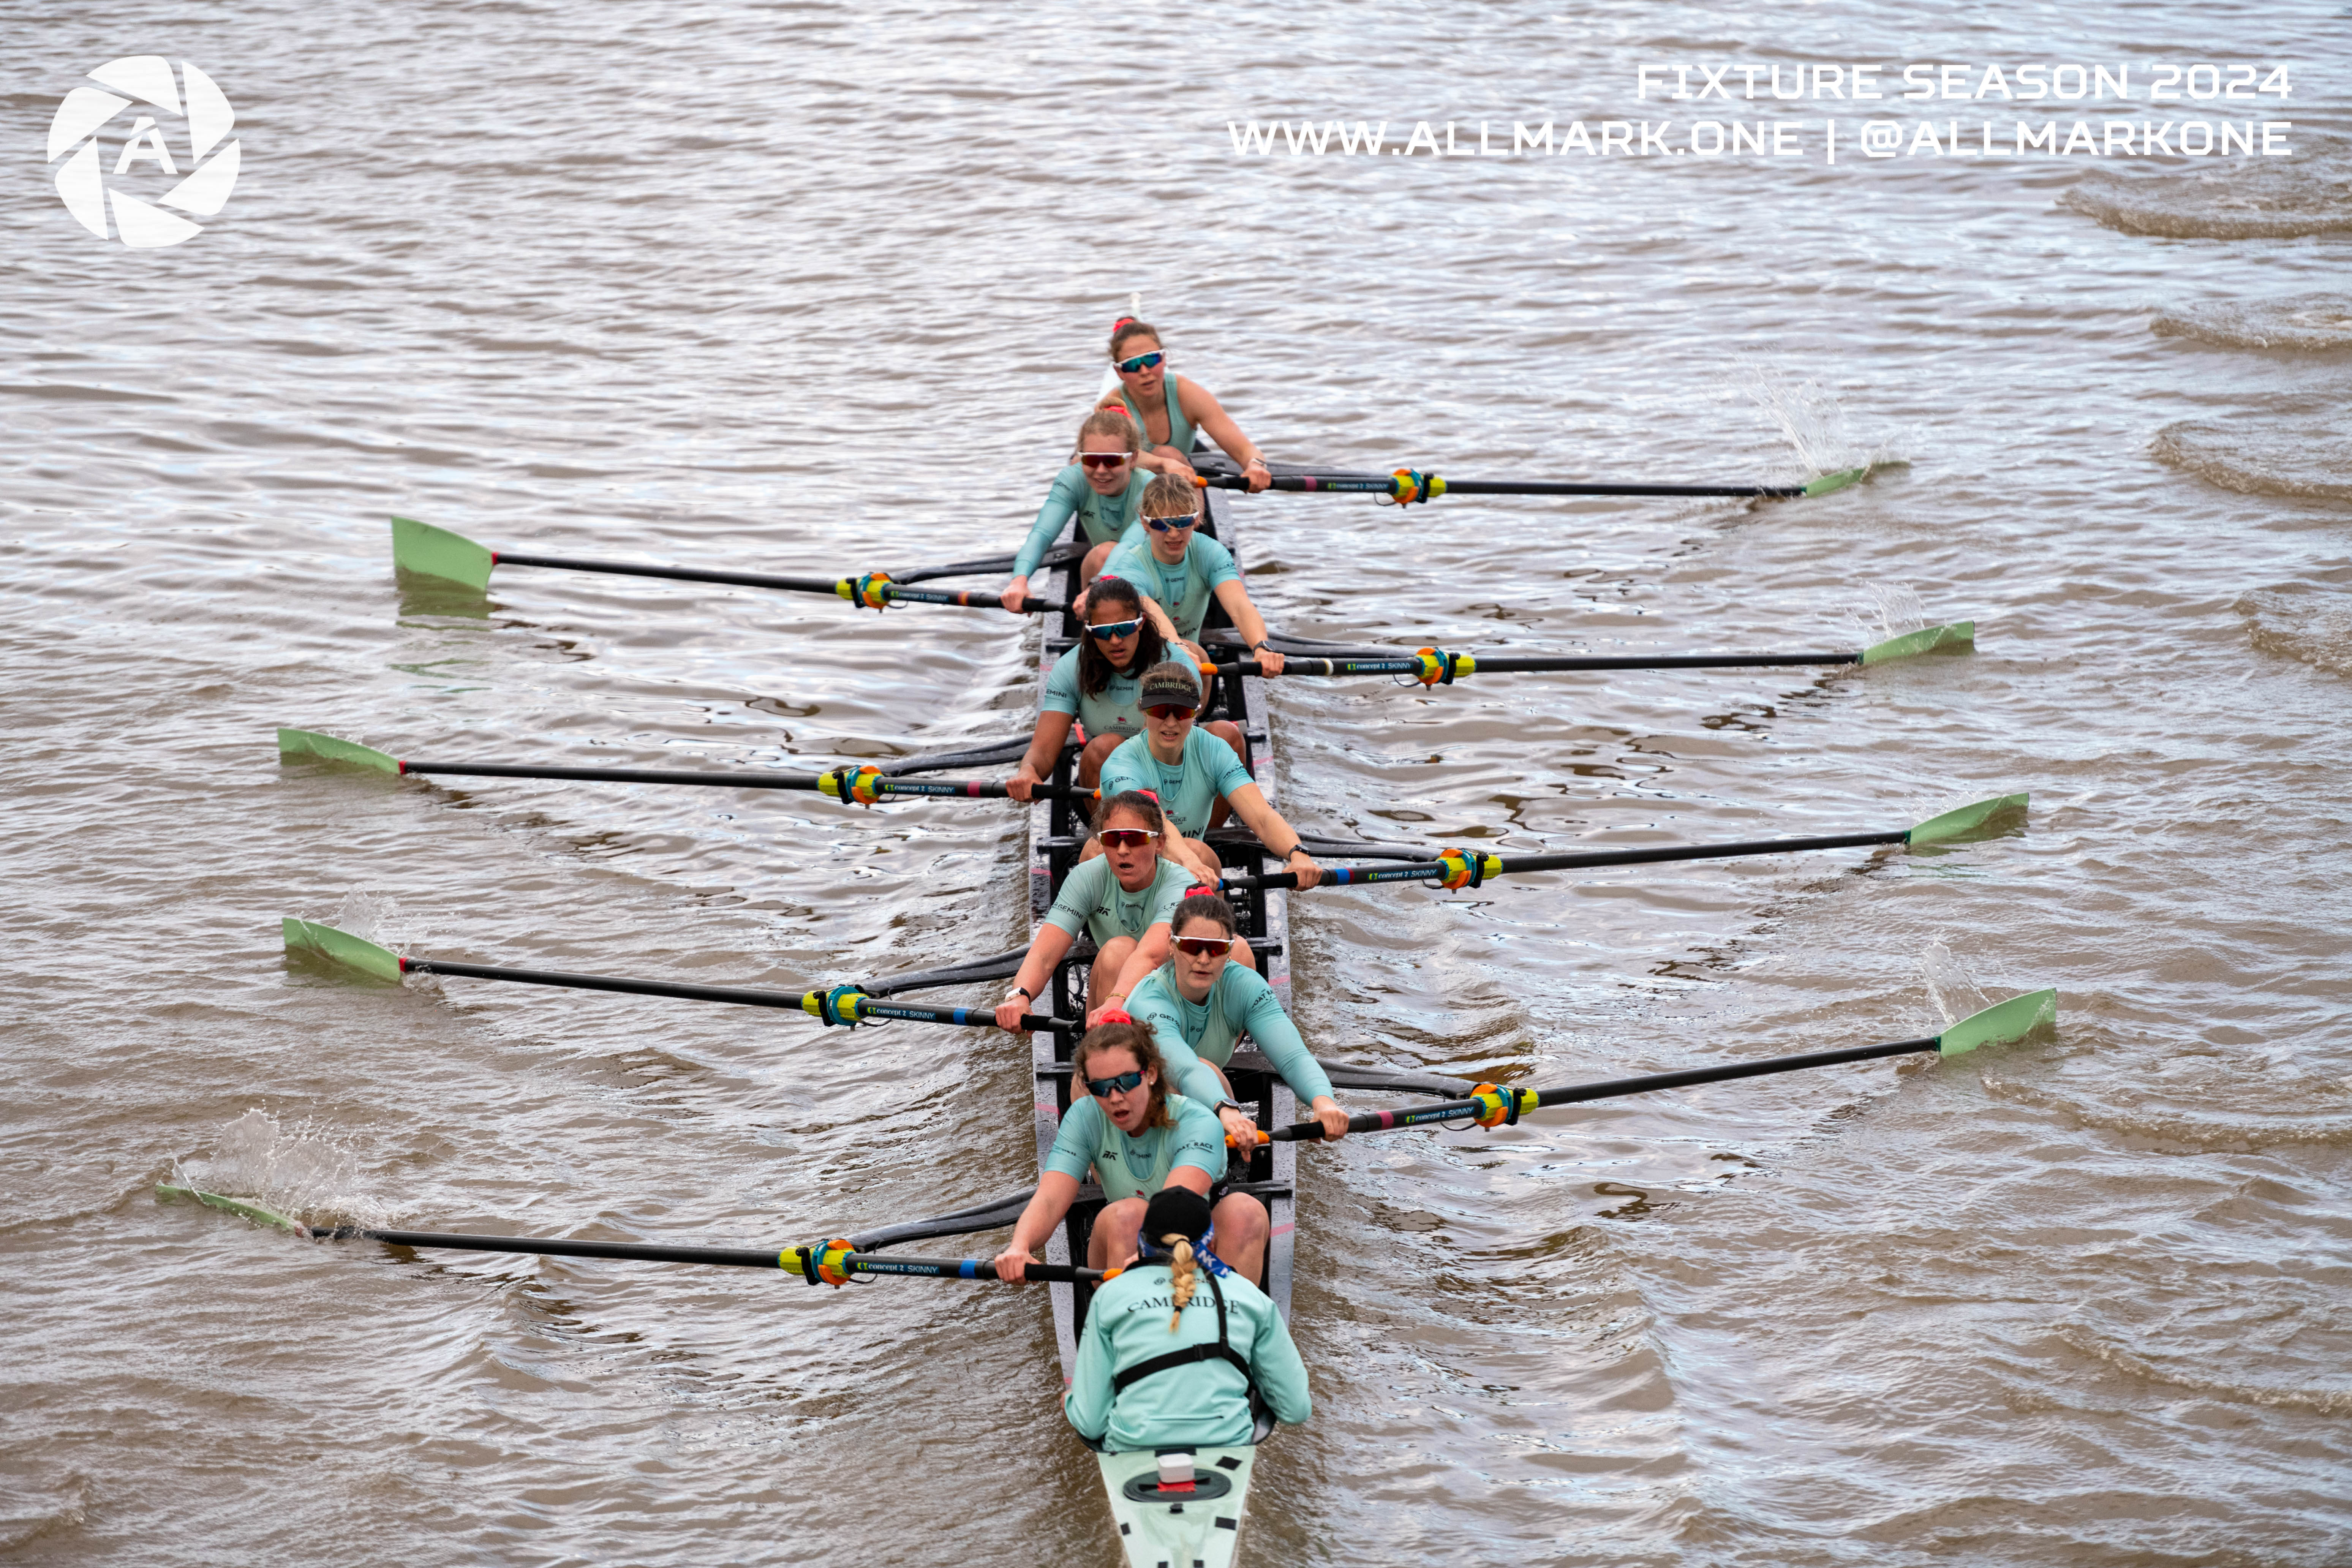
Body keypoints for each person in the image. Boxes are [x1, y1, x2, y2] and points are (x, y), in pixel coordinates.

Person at [994, 1019, 1271, 1285]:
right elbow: (1051, 1199)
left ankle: (1228, 1319)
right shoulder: (1085, 1116)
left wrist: (1150, 1254)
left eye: (1126, 1081)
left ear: (1150, 1074)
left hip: (1201, 1245)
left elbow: (1177, 1201)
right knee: (1130, 1214)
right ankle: (1134, 1314)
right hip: (1125, 1245)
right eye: (1101, 1087)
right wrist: (1020, 1246)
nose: (1115, 1097)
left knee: (1245, 1212)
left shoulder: (1197, 1122)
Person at [1064, 1185, 1310, 1455]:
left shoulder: (1109, 1296)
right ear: (1212, 1245)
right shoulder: (1251, 1296)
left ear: (1141, 1245)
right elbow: (1296, 1410)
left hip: (1132, 1444)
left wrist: (1072, 1404)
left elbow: (1090, 1424)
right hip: (1229, 1441)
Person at [1126, 892, 1350, 1155]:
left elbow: (1293, 1057)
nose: (1204, 959)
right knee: (1208, 1073)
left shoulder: (1244, 986)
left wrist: (1323, 1102)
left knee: (1210, 1082)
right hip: (1133, 1106)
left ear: (1230, 950)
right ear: (1172, 945)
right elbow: (1186, 1070)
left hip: (1203, 1096)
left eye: (1216, 949)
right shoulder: (1149, 1001)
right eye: (1191, 946)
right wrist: (1226, 1108)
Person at [1096, 661, 1324, 892]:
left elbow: (1262, 817)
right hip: (1132, 865)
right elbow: (1155, 824)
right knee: (1096, 851)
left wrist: (1298, 853)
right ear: (1144, 710)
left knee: (1198, 852)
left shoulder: (1214, 750)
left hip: (1189, 858)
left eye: (1182, 712)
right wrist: (1188, 859)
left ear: (1196, 712)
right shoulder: (1121, 765)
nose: (1172, 722)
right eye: (1160, 711)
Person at [994, 792, 1203, 1031]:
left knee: (1123, 950)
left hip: (1171, 993)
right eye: (1113, 839)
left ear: (1160, 843)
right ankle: (1112, 1053)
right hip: (1112, 992)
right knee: (1118, 951)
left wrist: (1116, 1001)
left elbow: (1151, 958)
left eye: (1135, 839)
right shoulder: (1087, 877)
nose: (1123, 850)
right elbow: (1043, 956)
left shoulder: (1180, 883)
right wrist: (1020, 995)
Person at [1003, 575, 1169, 801]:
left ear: (1141, 622)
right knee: (1103, 747)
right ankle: (1114, 829)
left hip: (1169, 776)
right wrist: (1029, 770)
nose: (1114, 640)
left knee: (1224, 736)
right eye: (1102, 631)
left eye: (1123, 629)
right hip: (1110, 785)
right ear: (1089, 629)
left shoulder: (1171, 663)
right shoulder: (1070, 668)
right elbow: (1042, 751)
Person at [1099, 474, 1287, 671]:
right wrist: (1180, 648)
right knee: (1193, 652)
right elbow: (1154, 615)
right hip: (1140, 660)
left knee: (1196, 653)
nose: (1173, 534)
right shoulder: (1131, 566)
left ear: (1196, 519)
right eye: (1161, 524)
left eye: (1182, 522)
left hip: (1192, 658)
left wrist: (1261, 647)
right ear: (1145, 523)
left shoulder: (1210, 552)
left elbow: (1239, 605)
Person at [1000, 408, 1151, 614]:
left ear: (1133, 459)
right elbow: (1042, 535)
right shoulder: (1072, 480)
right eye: (1090, 460)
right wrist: (1019, 580)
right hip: (1102, 573)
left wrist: (1098, 584)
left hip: (1149, 574)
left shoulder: (1150, 488)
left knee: (1107, 552)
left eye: (1112, 461)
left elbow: (1129, 545)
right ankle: (1094, 619)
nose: (1100, 470)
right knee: (1103, 554)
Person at [1098, 318, 1275, 495]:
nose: (1145, 371)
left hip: (1177, 494)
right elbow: (1117, 456)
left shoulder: (1188, 395)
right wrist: (1164, 464)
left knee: (1168, 455)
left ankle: (1189, 520)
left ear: (1164, 358)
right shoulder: (1111, 407)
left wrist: (1255, 465)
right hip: (1125, 494)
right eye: (1132, 365)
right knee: (1166, 455)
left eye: (1152, 359)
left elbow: (1244, 449)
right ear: (1119, 372)